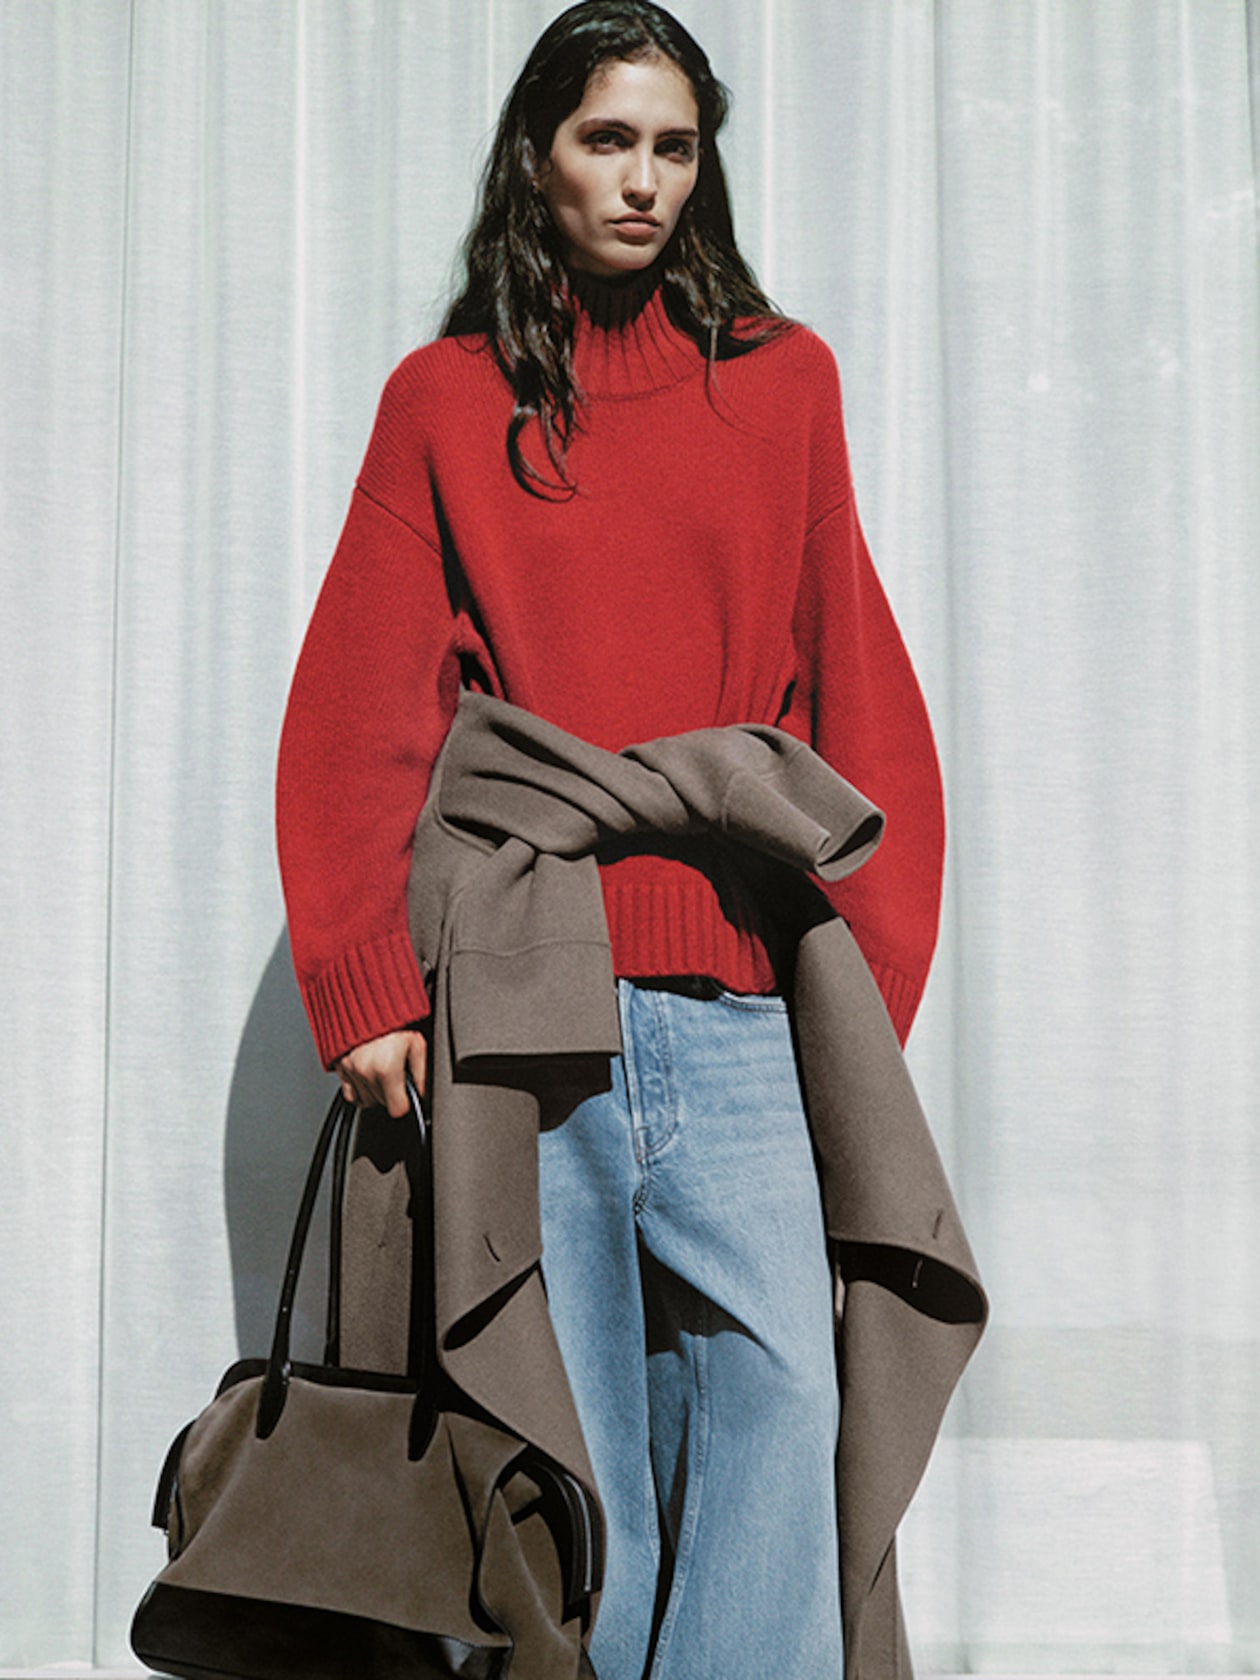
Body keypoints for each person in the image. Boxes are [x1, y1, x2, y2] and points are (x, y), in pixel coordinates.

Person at [276, 3, 946, 1676]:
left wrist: (865, 988)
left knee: (782, 1401)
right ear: (535, 156)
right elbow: (361, 707)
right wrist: (363, 986)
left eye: (672, 144)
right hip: (521, 999)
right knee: (572, 1461)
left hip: (734, 1003)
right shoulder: (443, 401)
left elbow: (857, 685)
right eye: (604, 138)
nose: (641, 179)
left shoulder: (784, 386)